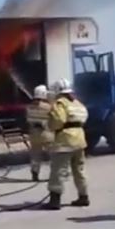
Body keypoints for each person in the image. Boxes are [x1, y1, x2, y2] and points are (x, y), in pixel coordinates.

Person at [43, 78, 90, 210]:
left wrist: (51, 124)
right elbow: (84, 118)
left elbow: (58, 120)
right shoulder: (77, 103)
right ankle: (83, 196)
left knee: (59, 170)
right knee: (80, 170)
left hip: (65, 141)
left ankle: (55, 200)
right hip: (80, 140)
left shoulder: (60, 103)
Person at [26, 85, 53, 182]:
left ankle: (35, 174)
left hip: (34, 135)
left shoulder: (29, 107)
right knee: (52, 155)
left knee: (35, 156)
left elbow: (28, 120)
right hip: (47, 134)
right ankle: (54, 174)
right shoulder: (48, 107)